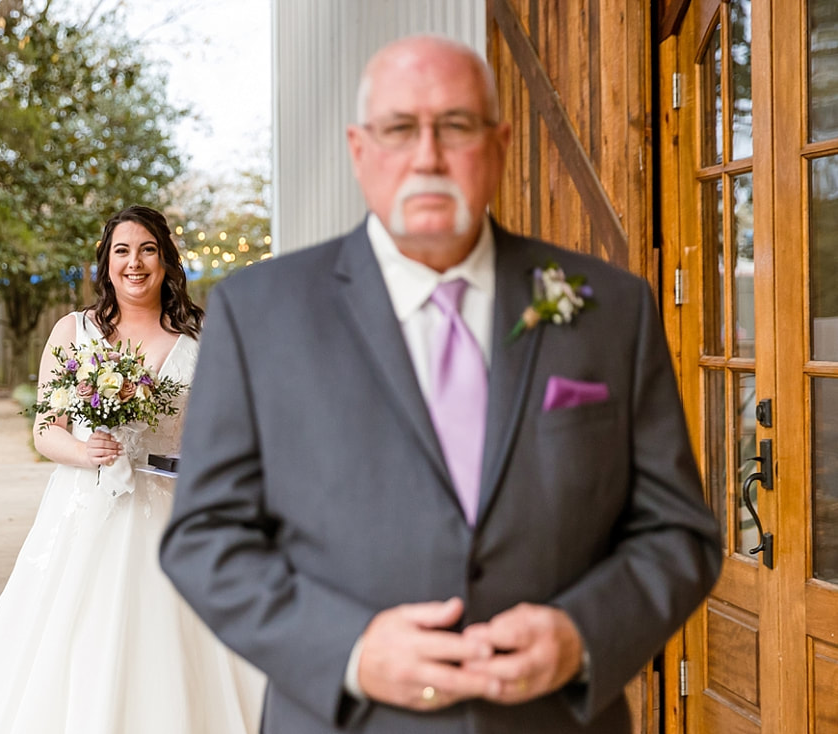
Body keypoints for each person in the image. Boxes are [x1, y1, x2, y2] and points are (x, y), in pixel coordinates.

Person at [160, 35, 722, 733]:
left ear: (500, 142)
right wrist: (351, 651)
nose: (427, 156)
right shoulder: (259, 313)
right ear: (359, 149)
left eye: (455, 125)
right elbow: (205, 536)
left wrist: (581, 636)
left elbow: (678, 534)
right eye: (399, 129)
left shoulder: (612, 309)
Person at [0, 205, 264, 734]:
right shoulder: (74, 332)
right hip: (86, 511)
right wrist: (84, 452)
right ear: (105, 264)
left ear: (166, 260)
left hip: (172, 511)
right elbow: (47, 430)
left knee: (174, 645)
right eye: (122, 251)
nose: (134, 263)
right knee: (75, 640)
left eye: (147, 250)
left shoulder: (203, 336)